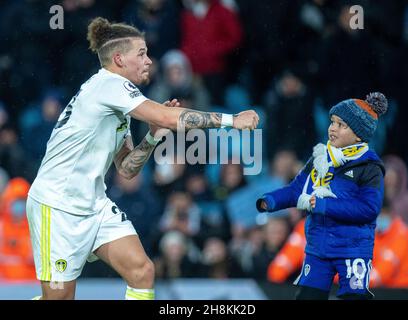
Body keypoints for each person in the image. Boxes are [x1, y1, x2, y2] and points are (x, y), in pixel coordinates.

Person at [26, 17, 259, 300]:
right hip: (57, 205)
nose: (149, 61)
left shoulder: (117, 105)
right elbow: (167, 116)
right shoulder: (110, 85)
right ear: (119, 59)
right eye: (141, 54)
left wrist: (151, 137)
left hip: (93, 205)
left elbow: (126, 169)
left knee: (142, 271)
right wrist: (231, 120)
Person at [257, 92, 388, 300]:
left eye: (341, 124)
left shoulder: (370, 167)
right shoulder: (320, 157)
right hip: (318, 249)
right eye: (332, 122)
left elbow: (368, 209)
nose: (332, 128)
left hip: (352, 251)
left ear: (358, 134)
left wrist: (322, 205)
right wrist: (270, 201)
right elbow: (296, 190)